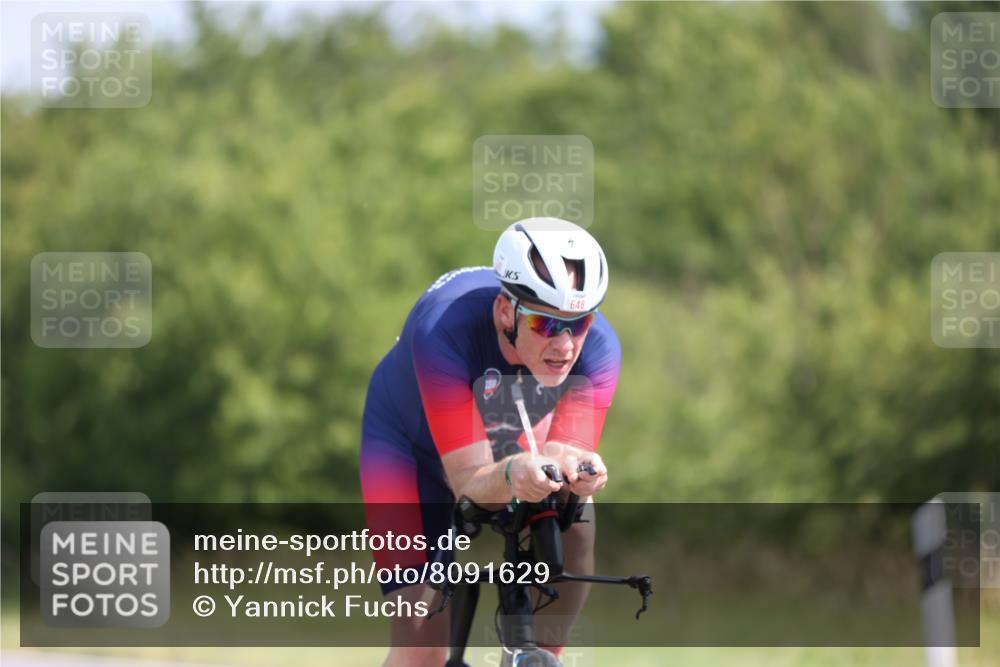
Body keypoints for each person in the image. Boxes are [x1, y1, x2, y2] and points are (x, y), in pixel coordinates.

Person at [359, 217, 621, 666]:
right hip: (407, 447)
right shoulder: (443, 328)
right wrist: (514, 472)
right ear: (506, 312)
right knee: (421, 648)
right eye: (544, 322)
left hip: (503, 432)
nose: (564, 343)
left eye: (578, 323)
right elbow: (467, 483)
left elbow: (564, 454)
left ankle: (538, 657)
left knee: (577, 520)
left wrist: (580, 471)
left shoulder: (599, 349)